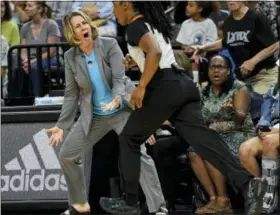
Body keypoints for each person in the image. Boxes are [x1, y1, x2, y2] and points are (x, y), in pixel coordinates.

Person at [100, 2, 268, 215]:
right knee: (204, 141)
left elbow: (155, 53)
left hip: (164, 87)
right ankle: (249, 184)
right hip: (182, 84)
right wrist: (137, 62)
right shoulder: (151, 24)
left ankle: (130, 201)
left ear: (126, 5)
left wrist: (140, 87)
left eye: (115, 5)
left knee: (129, 138)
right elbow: (156, 54)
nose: (113, 11)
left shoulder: (134, 26)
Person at [45, 10, 167, 215]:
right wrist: (61, 125)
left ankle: (159, 208)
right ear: (71, 33)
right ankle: (79, 204)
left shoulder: (109, 44)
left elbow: (120, 79)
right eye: (77, 26)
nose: (83, 27)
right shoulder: (70, 57)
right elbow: (71, 95)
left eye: (84, 23)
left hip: (120, 110)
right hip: (94, 115)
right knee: (67, 155)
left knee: (139, 154)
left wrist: (116, 99)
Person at [189, 55, 255, 214]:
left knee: (211, 150)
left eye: (221, 67)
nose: (216, 71)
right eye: (213, 67)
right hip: (214, 135)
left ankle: (223, 200)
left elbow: (240, 119)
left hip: (239, 133)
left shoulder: (239, 88)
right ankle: (213, 199)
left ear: (228, 71)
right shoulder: (205, 90)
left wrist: (231, 111)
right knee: (193, 151)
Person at [193, 1, 279, 95]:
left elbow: (273, 45)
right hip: (243, 79)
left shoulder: (256, 18)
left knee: (264, 107)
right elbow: (226, 42)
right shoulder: (228, 21)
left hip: (264, 76)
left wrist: (252, 61)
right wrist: (203, 47)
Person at [239, 81, 280, 214]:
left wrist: (273, 132)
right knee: (245, 149)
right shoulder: (273, 89)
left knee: (269, 141)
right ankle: (259, 195)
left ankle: (270, 195)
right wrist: (262, 127)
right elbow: (265, 116)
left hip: (275, 134)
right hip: (272, 130)